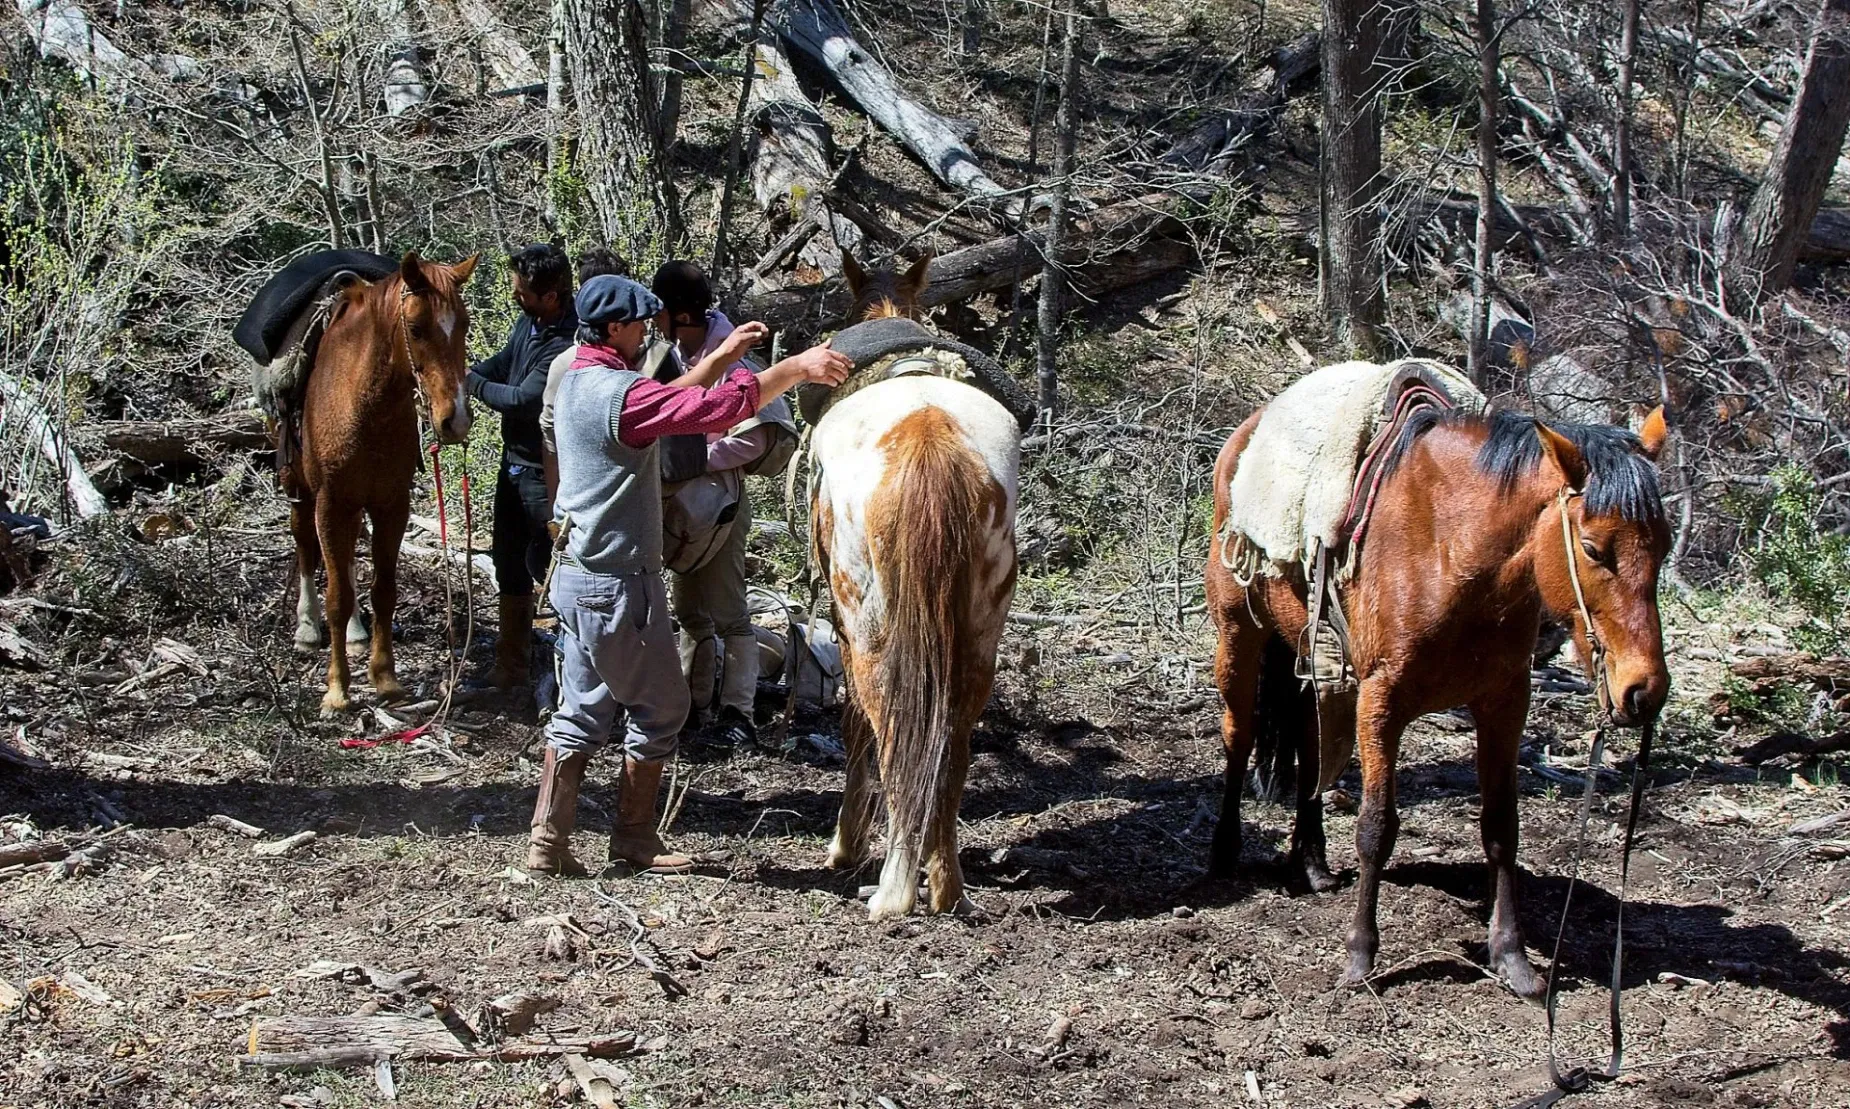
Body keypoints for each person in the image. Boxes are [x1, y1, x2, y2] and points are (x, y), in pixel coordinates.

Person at [528, 275, 851, 876]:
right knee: (662, 708)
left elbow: (665, 398)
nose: (649, 332)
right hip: (620, 584)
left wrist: (723, 358)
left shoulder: (579, 378)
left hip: (578, 578)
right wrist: (797, 369)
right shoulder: (617, 393)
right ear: (615, 329)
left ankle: (547, 843)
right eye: (640, 324)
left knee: (580, 709)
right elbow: (714, 410)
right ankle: (633, 840)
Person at [652, 260, 799, 748]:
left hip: (720, 505)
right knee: (689, 608)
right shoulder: (671, 352)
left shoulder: (735, 362)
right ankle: (694, 706)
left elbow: (760, 438)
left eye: (661, 312)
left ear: (681, 315)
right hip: (681, 504)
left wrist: (697, 458)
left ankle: (738, 714)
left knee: (730, 612)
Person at [467, 244, 577, 690]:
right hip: (512, 465)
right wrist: (473, 368)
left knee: (554, 567)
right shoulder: (529, 322)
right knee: (506, 561)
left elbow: (521, 400)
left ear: (550, 295)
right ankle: (511, 665)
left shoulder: (567, 342)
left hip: (543, 472)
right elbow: (502, 363)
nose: (514, 296)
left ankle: (571, 670)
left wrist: (469, 382)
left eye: (521, 291)